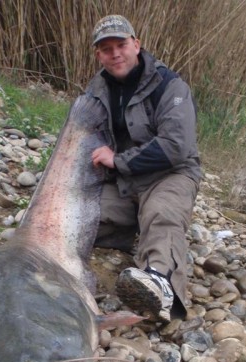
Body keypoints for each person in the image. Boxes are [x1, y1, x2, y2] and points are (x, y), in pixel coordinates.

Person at [87, 14, 201, 322]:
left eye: (121, 45)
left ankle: (159, 285)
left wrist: (118, 160)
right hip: (123, 183)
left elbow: (176, 147)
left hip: (170, 175)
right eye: (106, 49)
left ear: (136, 45)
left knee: (161, 214)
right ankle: (136, 232)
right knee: (83, 216)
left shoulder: (171, 85)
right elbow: (85, 140)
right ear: (99, 55)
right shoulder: (94, 92)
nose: (115, 54)